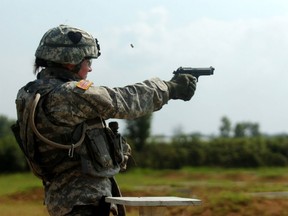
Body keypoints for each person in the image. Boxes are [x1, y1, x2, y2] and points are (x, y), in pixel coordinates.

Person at [12, 24, 197, 216]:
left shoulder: (32, 92)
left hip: (66, 200)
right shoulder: (66, 94)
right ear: (70, 62)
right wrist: (169, 88)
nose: (90, 69)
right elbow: (121, 100)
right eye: (87, 62)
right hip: (84, 202)